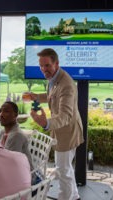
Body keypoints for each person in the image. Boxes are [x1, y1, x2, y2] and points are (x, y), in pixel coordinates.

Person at [29, 48, 84, 200]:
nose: (43, 69)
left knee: (62, 171)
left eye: (47, 65)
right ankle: (74, 196)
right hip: (63, 130)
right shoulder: (54, 77)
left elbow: (65, 116)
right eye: (41, 65)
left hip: (67, 132)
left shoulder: (66, 84)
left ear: (56, 63)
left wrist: (46, 123)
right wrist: (36, 97)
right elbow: (52, 96)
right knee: (66, 168)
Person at [0, 101, 35, 183]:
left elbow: (10, 165)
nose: (1, 114)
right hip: (14, 173)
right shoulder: (2, 132)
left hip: (25, 179)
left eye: (6, 111)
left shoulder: (16, 136)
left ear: (15, 115)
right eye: (0, 111)